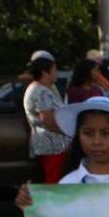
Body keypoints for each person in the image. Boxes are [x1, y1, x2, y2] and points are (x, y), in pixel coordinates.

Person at [23, 54, 71, 184]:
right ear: (45, 72)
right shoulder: (41, 91)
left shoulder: (42, 88)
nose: (56, 73)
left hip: (52, 144)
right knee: (53, 181)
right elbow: (48, 120)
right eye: (54, 69)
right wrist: (69, 133)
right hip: (51, 145)